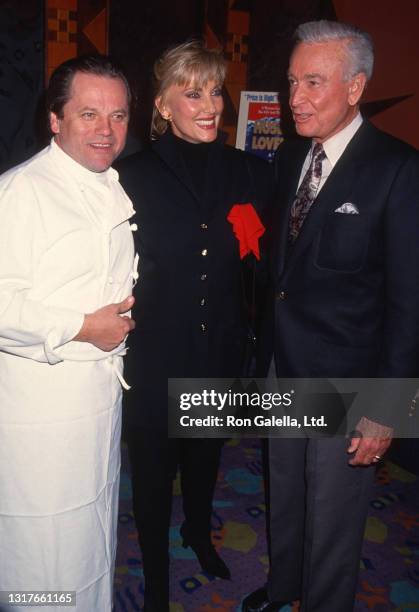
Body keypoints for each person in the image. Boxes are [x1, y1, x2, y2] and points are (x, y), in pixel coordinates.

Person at [243, 20, 419, 612]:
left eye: (313, 82)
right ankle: (285, 587)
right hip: (281, 368)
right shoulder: (290, 154)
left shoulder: (399, 169)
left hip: (348, 384)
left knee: (335, 522)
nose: (294, 99)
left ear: (355, 86)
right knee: (286, 496)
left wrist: (388, 408)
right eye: (292, 81)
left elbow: (409, 303)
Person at [116, 41, 272, 612]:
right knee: (153, 474)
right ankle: (155, 570)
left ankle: (197, 534)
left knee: (205, 460)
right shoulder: (127, 176)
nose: (210, 105)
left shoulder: (249, 171)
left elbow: (263, 265)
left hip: (219, 353)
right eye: (193, 93)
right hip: (154, 356)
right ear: (162, 105)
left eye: (215, 91)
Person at [0, 55, 136, 611]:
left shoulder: (106, 183)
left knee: (91, 538)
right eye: (88, 114)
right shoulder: (21, 191)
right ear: (55, 120)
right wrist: (85, 326)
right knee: (42, 550)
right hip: (42, 419)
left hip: (98, 407)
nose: (106, 130)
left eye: (119, 115)